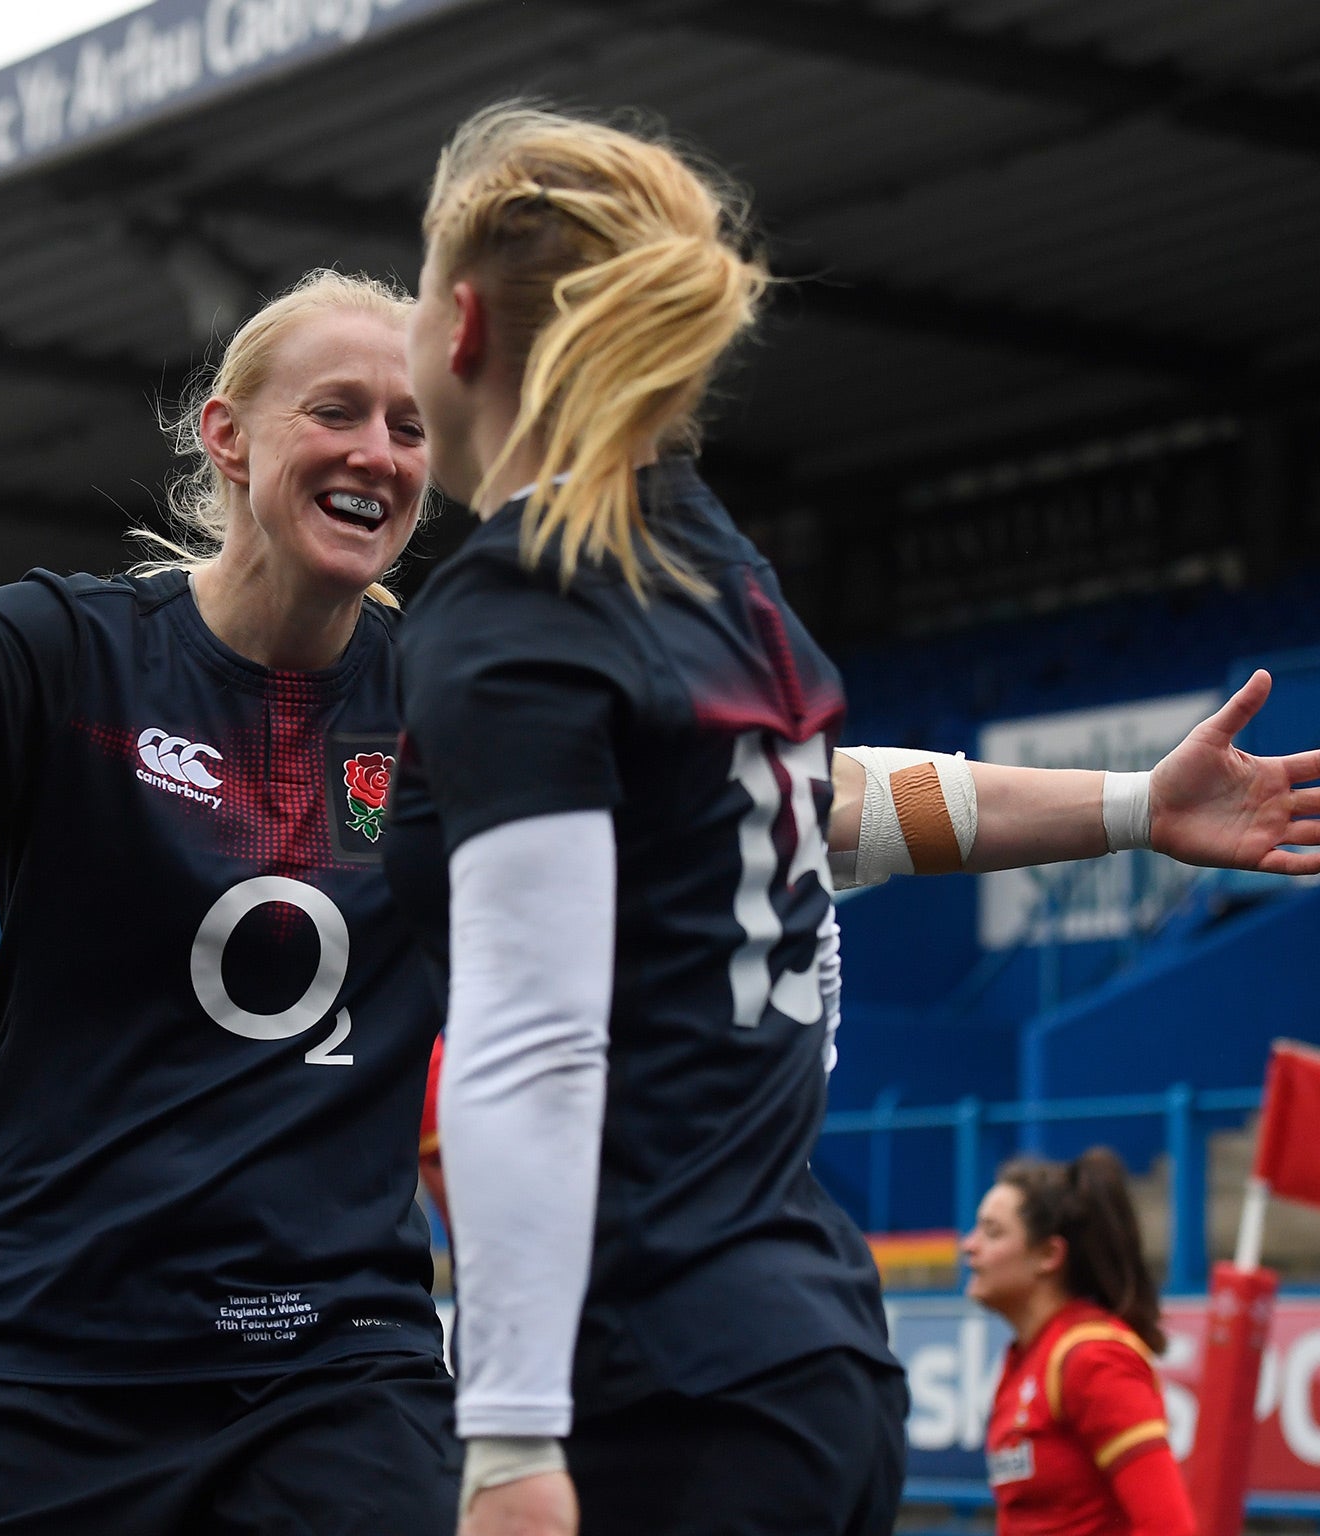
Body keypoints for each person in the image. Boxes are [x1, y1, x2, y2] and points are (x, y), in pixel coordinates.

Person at [0, 249, 1320, 1533]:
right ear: (227, 442)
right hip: (37, 1354)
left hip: (326, 1363)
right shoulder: (67, 655)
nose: (379, 452)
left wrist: (1133, 807)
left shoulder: (467, 678)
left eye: (410, 422)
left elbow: (809, 794)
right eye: (336, 413)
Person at [385, 100, 1320, 1536]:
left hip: (656, 1385)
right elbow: (844, 810)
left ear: (458, 327)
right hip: (810, 1360)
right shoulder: (723, 575)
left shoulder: (522, 605)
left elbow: (535, 1037)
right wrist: (1134, 803)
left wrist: (511, 1439)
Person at [965, 1152, 1195, 1536]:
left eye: (992, 1232)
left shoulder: (1094, 1359)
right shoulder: (1023, 1359)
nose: (968, 1246)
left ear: (1049, 1255)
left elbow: (1169, 1527)